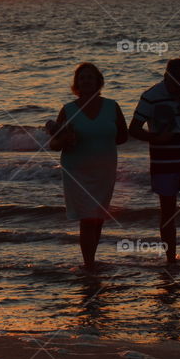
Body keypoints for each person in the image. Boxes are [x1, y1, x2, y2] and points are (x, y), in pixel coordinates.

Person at [128, 57, 180, 265]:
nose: (179, 87)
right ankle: (170, 260)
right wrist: (155, 138)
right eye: (174, 82)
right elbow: (133, 129)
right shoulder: (150, 97)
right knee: (168, 213)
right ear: (166, 77)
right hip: (164, 164)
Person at [47, 62, 128, 271]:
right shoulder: (68, 110)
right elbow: (53, 144)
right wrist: (66, 140)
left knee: (98, 217)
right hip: (77, 171)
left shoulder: (112, 106)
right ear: (76, 84)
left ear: (98, 82)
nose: (86, 81)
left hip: (105, 170)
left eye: (90, 77)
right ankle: (89, 265)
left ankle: (91, 260)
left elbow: (123, 136)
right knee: (88, 218)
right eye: (82, 78)